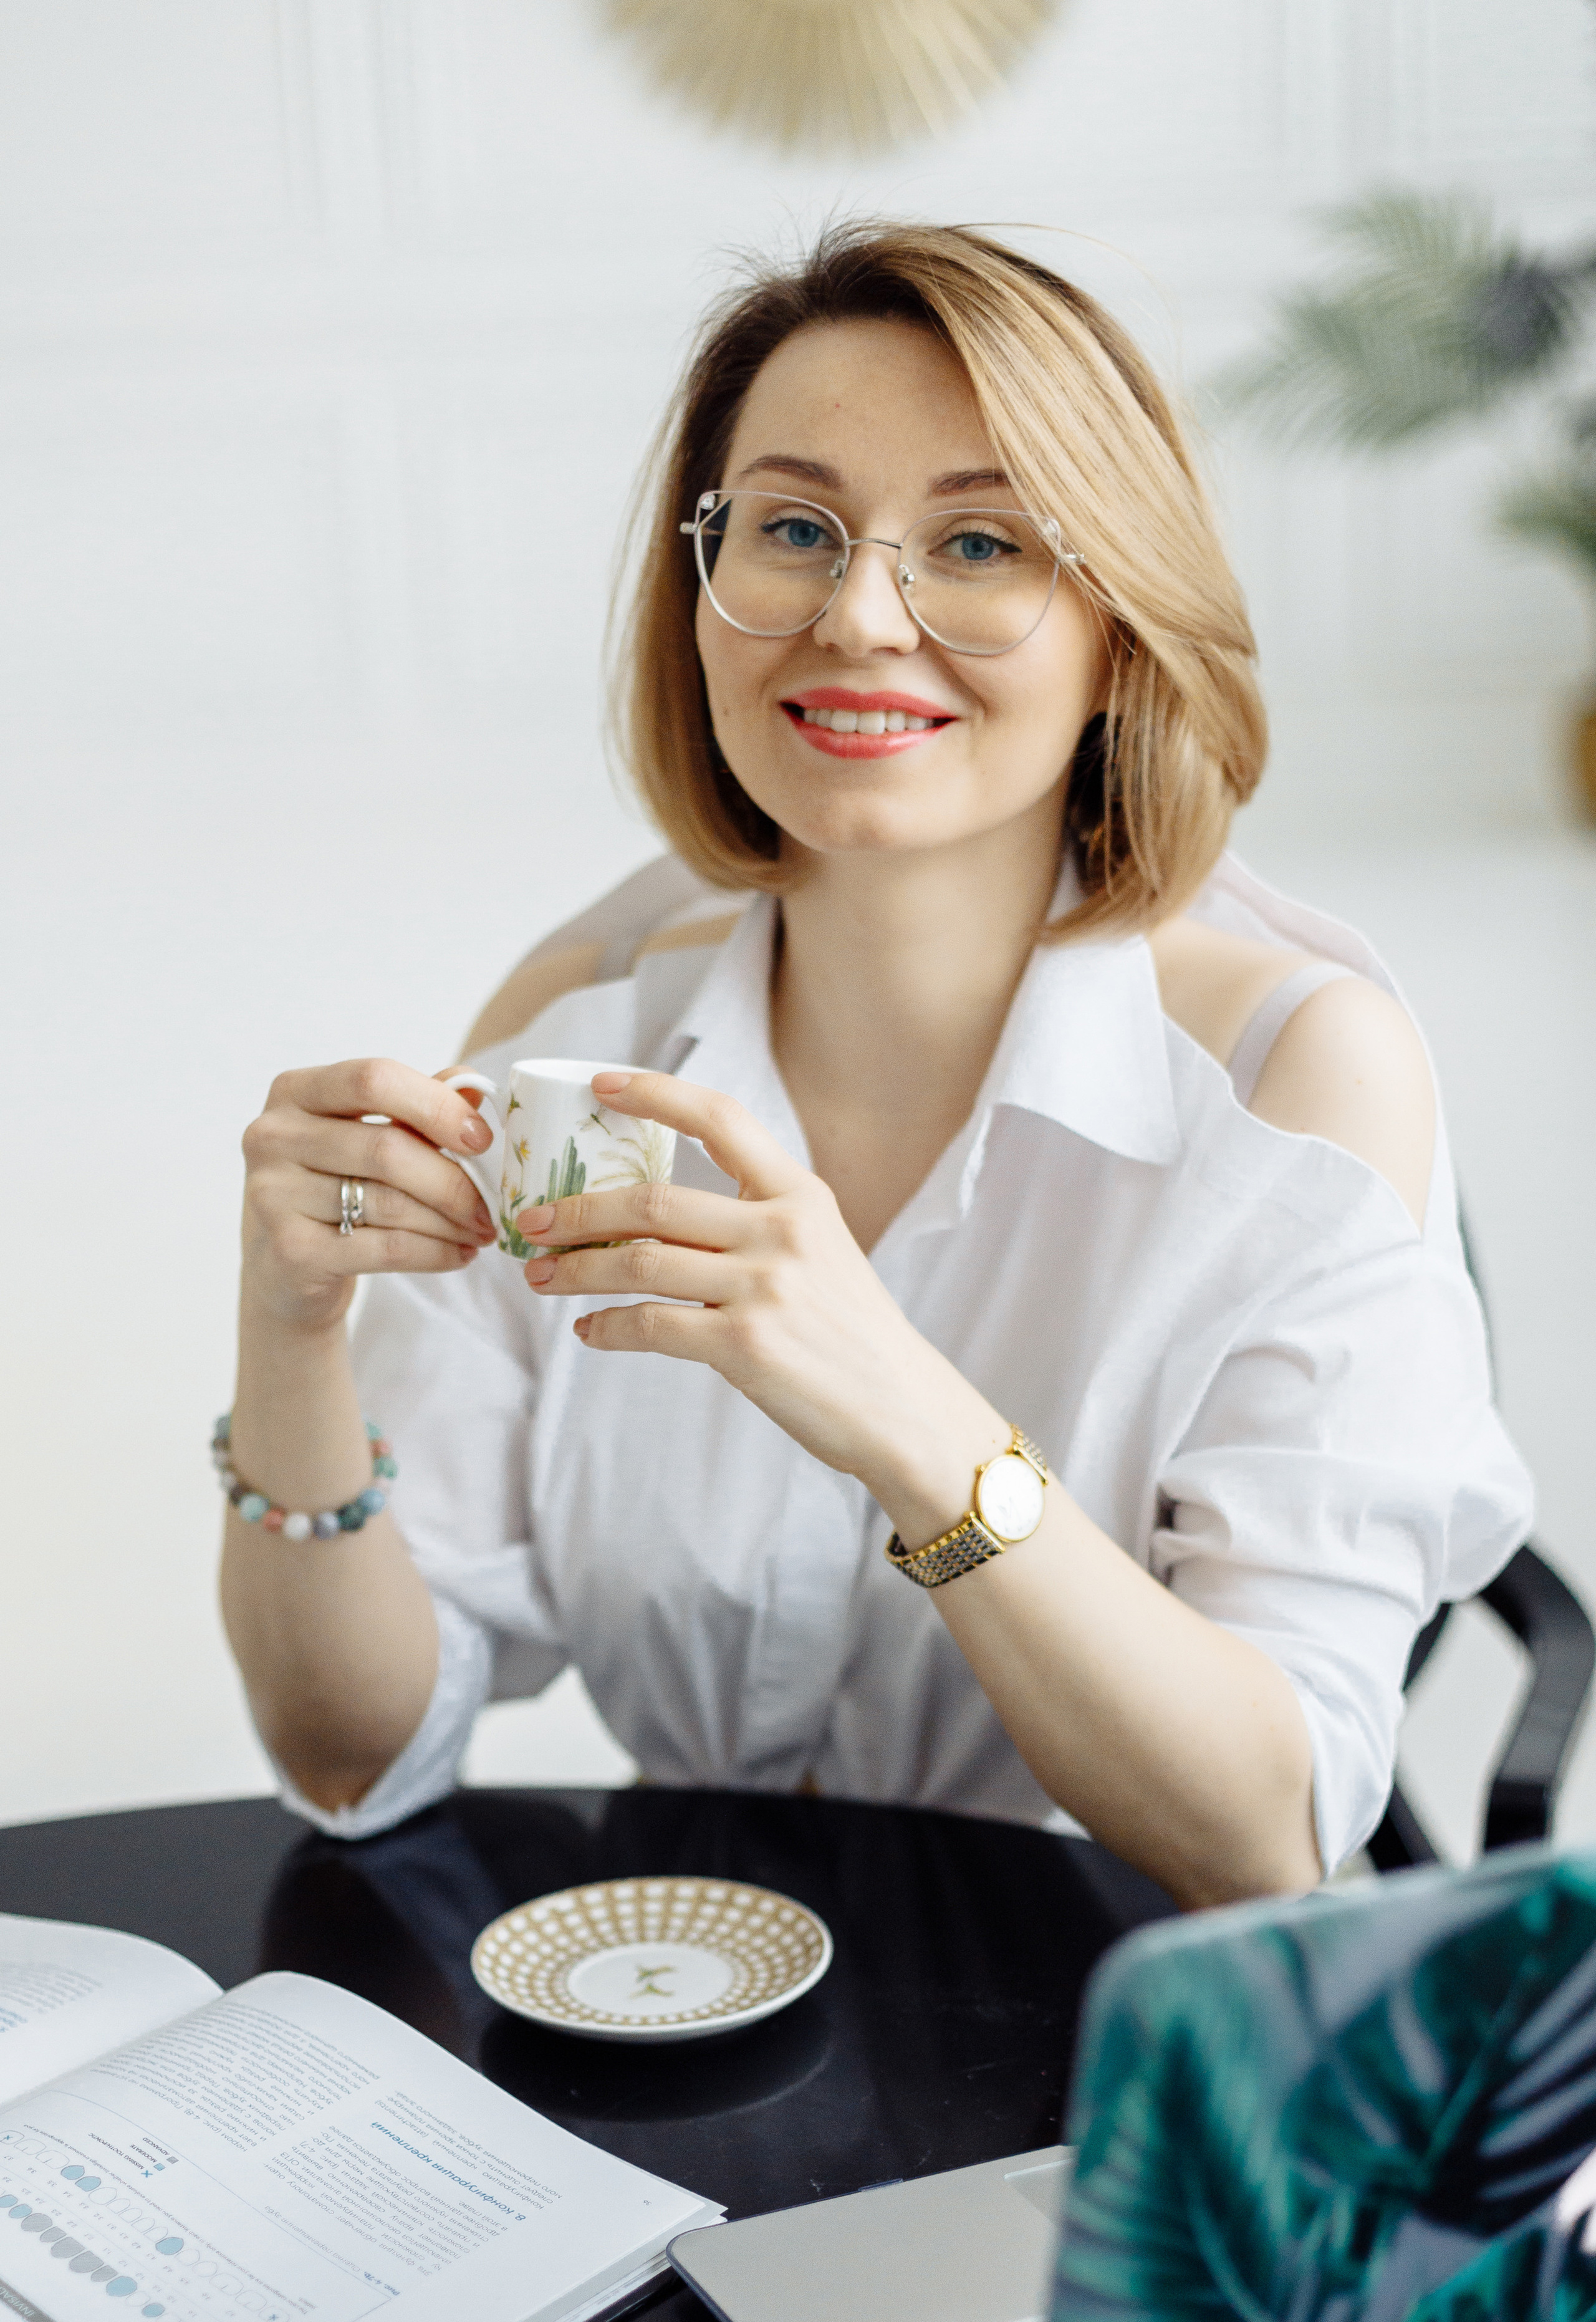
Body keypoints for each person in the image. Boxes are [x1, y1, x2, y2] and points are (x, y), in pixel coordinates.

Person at [220, 223, 1531, 1911]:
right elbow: (351, 1753)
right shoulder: (580, 1025)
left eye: (978, 541)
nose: (854, 614)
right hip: (704, 2022)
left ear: (1121, 625)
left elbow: (1268, 1835)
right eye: (790, 529)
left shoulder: (1301, 1075)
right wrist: (289, 1336)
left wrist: (907, 1417)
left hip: (1104, 2049)